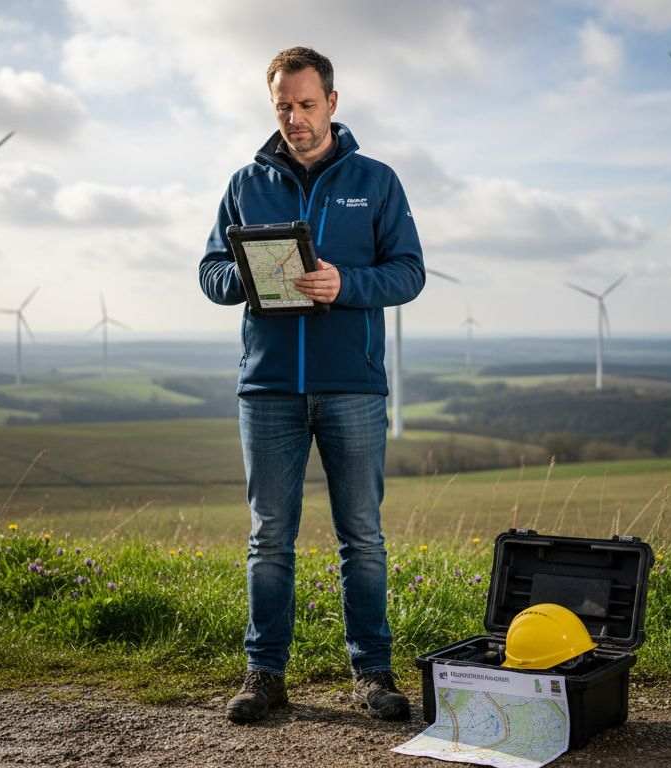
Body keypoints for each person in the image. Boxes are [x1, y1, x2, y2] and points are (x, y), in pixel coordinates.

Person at [199, 46, 425, 725]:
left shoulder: (376, 181)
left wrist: (344, 284)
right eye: (283, 108)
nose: (295, 119)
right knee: (270, 537)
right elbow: (210, 274)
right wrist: (248, 273)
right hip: (267, 389)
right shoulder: (245, 183)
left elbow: (409, 272)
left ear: (332, 102)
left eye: (305, 104)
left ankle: (372, 673)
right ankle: (265, 674)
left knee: (363, 536)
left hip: (352, 387)